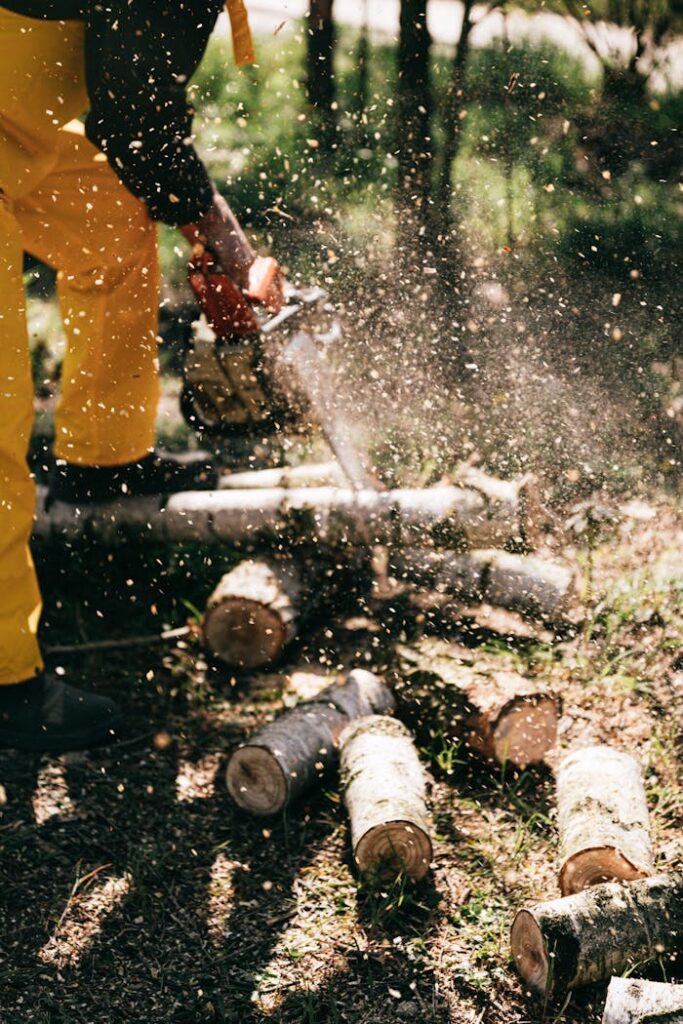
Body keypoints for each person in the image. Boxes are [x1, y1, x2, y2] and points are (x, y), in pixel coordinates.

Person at [0, 0, 277, 751]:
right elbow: (138, 131)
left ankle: (103, 456)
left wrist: (200, 223)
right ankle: (4, 682)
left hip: (13, 127)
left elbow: (134, 120)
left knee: (114, 224)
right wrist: (225, 236)